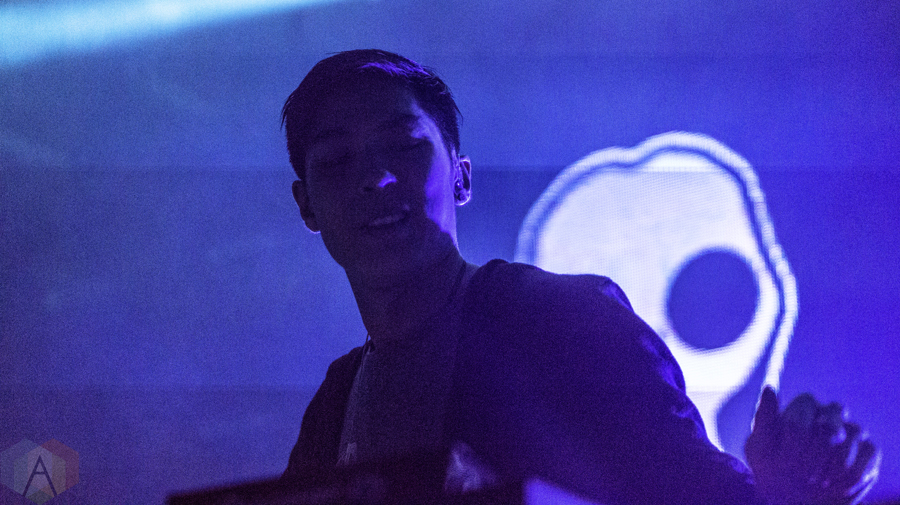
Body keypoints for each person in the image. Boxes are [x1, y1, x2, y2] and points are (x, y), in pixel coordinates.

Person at [280, 49, 880, 504]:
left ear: (461, 178)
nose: (375, 178)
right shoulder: (335, 403)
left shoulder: (560, 321)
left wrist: (785, 493)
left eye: (404, 145)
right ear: (306, 206)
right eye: (337, 161)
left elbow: (695, 490)